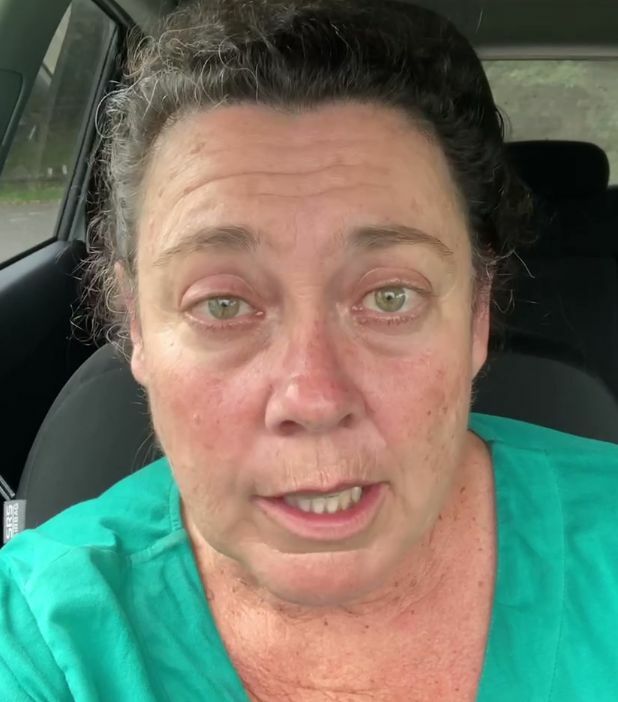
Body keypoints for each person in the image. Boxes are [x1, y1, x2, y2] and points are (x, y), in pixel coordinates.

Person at [1, 0, 617, 699]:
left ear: (477, 313)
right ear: (138, 324)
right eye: (222, 304)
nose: (314, 399)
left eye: (390, 296)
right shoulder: (40, 638)